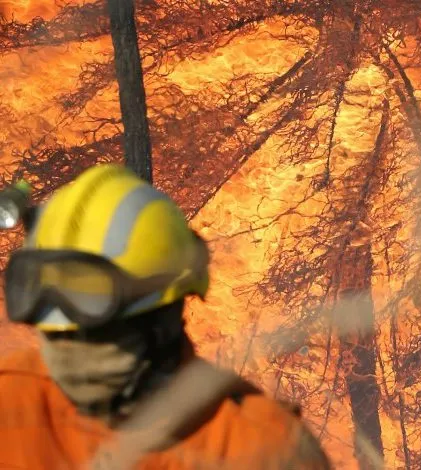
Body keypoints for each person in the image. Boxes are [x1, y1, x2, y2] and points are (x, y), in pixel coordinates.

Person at [0, 164, 331, 469]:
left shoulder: (262, 451)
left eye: (100, 329)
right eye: (53, 326)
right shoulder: (11, 399)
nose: (69, 346)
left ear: (163, 317)